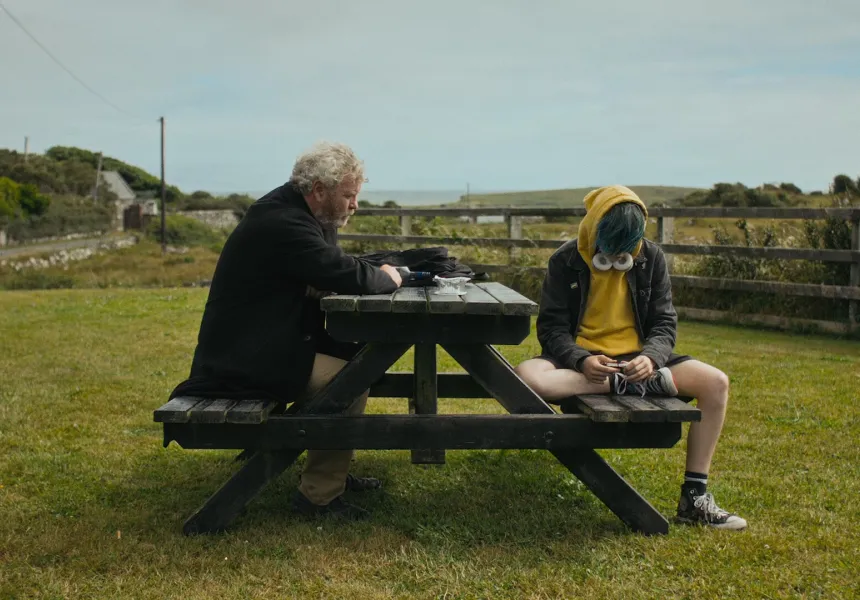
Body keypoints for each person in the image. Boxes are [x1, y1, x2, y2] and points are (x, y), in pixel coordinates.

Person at [169, 141, 402, 520]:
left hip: (264, 345)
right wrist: (387, 277)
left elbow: (329, 266)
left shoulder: (299, 215)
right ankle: (319, 496)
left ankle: (333, 470)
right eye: (349, 195)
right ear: (319, 191)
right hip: (246, 361)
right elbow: (341, 271)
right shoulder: (283, 222)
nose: (355, 205)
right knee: (353, 378)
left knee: (355, 361)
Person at [514, 185, 747, 531]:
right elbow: (551, 329)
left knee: (716, 382)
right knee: (527, 376)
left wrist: (652, 359)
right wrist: (581, 360)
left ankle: (694, 499)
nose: (619, 257)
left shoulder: (651, 257)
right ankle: (626, 383)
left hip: (642, 362)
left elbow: (665, 322)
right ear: (593, 228)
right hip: (585, 361)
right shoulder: (564, 260)